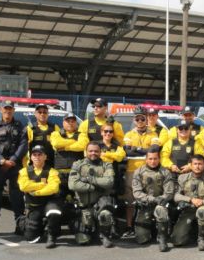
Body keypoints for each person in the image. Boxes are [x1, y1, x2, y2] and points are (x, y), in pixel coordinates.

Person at [0, 99, 28, 237]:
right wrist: (1, 160)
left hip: (15, 166)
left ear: (13, 110)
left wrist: (13, 159)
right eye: (5, 109)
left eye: (10, 109)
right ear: (0, 110)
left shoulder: (20, 126)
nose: (7, 111)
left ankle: (20, 226)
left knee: (17, 197)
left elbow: (23, 144)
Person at [122, 106, 161, 237]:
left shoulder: (153, 133)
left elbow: (154, 149)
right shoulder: (128, 134)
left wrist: (136, 148)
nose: (140, 121)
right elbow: (127, 151)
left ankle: (148, 227)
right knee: (130, 202)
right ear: (134, 120)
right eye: (137, 119)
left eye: (142, 119)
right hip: (131, 171)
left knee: (148, 199)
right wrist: (144, 150)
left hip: (148, 171)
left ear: (146, 120)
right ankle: (129, 227)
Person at [68, 141, 116, 247]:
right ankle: (89, 231)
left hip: (100, 206)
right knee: (83, 241)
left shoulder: (107, 165)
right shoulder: (77, 165)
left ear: (100, 152)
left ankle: (105, 236)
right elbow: (73, 185)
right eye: (90, 151)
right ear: (86, 152)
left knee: (105, 214)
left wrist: (89, 179)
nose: (93, 153)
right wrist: (92, 187)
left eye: (96, 151)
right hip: (84, 208)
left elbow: (109, 182)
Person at [131, 148, 175, 251]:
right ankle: (152, 231)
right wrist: (152, 199)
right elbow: (137, 193)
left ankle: (162, 238)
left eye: (155, 158)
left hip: (160, 203)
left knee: (161, 210)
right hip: (146, 205)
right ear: (146, 159)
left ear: (159, 159)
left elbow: (169, 192)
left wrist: (161, 199)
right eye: (150, 159)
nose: (153, 161)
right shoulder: (139, 172)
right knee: (142, 239)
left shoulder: (165, 172)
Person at [172, 155, 204, 250]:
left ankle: (202, 238)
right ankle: (192, 229)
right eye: (195, 164)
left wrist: (201, 202)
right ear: (190, 165)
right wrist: (191, 200)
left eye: (200, 164)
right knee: (177, 240)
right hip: (188, 210)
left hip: (203, 209)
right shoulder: (182, 178)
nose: (197, 166)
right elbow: (176, 196)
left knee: (202, 211)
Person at [18, 145, 61, 247]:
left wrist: (36, 192)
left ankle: (52, 236)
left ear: (45, 157)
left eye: (40, 155)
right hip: (34, 206)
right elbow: (23, 186)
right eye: (35, 155)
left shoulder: (52, 171)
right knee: (31, 239)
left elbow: (53, 188)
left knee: (54, 212)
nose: (37, 157)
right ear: (31, 157)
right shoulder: (24, 171)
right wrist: (42, 185)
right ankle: (40, 225)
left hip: (48, 203)